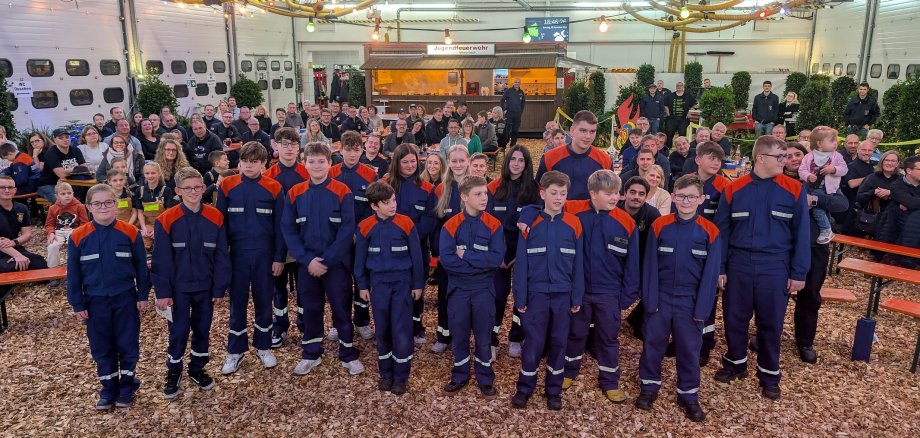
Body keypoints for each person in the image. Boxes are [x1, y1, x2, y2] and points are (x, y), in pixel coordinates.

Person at [713, 135, 810, 400]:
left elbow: (802, 233)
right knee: (734, 319)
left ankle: (769, 375)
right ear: (761, 158)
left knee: (770, 324)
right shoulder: (734, 189)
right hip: (739, 265)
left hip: (775, 266)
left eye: (787, 156)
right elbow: (722, 232)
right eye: (780, 157)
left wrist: (799, 273)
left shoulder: (794, 189)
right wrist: (720, 268)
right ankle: (735, 363)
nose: (786, 161)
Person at [635, 174, 721, 422]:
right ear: (673, 197)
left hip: (691, 301)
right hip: (661, 298)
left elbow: (710, 274)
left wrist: (702, 309)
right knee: (653, 346)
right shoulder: (660, 227)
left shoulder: (710, 231)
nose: (686, 201)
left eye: (692, 197)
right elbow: (649, 265)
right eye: (681, 196)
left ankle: (689, 395)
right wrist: (650, 302)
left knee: (689, 350)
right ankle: (649, 388)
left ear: (701, 199)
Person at [282, 142, 364, 376]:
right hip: (306, 265)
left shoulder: (342, 191)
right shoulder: (295, 192)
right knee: (310, 308)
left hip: (336, 264)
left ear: (330, 163)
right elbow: (288, 230)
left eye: (321, 161)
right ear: (304, 163)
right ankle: (311, 353)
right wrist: (308, 260)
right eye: (311, 161)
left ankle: (347, 353)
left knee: (341, 308)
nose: (316, 165)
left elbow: (347, 230)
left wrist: (326, 261)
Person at [66, 183, 150, 409]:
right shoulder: (77, 236)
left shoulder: (130, 231)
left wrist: (143, 294)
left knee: (127, 342)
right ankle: (108, 387)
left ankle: (127, 386)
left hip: (125, 298)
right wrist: (77, 303)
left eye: (108, 202)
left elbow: (141, 267)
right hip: (95, 301)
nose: (103, 207)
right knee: (101, 346)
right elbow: (73, 274)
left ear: (116, 204)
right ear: (89, 207)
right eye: (97, 203)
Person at [559, 170, 639, 404]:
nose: (615, 198)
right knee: (575, 333)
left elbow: (633, 265)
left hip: (609, 293)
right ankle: (569, 371)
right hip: (580, 291)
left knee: (608, 337)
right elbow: (544, 204)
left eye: (617, 193)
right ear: (593, 193)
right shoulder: (573, 211)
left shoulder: (626, 222)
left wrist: (626, 297)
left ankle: (610, 381)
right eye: (609, 193)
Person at [152, 167, 231, 399]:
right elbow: (161, 259)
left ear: (204, 188)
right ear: (178, 191)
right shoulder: (166, 219)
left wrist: (219, 287)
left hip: (205, 288)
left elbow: (221, 256)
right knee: (178, 331)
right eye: (188, 188)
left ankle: (197, 368)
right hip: (178, 289)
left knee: (202, 329)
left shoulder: (215, 217)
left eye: (198, 187)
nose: (194, 191)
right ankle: (174, 371)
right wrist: (163, 292)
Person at [511, 171, 584, 411]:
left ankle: (553, 390)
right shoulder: (530, 225)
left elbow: (579, 265)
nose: (558, 198)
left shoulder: (574, 224)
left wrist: (577, 295)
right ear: (542, 193)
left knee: (559, 343)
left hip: (563, 295)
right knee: (533, 343)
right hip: (536, 296)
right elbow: (521, 264)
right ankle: (524, 389)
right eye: (553, 193)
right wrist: (520, 297)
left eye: (563, 194)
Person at [217, 142, 285, 375]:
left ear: (264, 164)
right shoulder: (226, 185)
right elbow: (220, 225)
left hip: (264, 255)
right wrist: (222, 258)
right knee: (237, 302)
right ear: (239, 162)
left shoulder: (274, 187)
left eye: (254, 161)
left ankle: (263, 346)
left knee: (264, 301)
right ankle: (235, 350)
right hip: (236, 255)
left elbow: (280, 227)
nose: (249, 165)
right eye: (245, 161)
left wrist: (279, 258)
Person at [438, 175, 505, 398]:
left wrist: (466, 255)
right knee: (459, 335)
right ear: (464, 197)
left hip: (484, 290)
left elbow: (495, 259)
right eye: (478, 194)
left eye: (485, 193)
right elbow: (447, 260)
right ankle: (460, 375)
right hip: (458, 290)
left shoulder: (494, 225)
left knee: (484, 336)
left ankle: (485, 378)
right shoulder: (450, 225)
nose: (484, 197)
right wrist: (479, 264)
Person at [354, 181, 424, 395]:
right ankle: (386, 373)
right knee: (382, 329)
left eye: (393, 200)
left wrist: (417, 284)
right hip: (378, 284)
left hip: (402, 283)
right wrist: (363, 285)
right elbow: (360, 259)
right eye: (386, 203)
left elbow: (417, 257)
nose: (393, 205)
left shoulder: (406, 223)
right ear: (374, 206)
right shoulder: (365, 226)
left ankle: (401, 376)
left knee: (401, 329)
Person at [382, 144, 438, 345]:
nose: (409, 165)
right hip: (389, 248)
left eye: (413, 161)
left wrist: (412, 239)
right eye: (405, 162)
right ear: (397, 163)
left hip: (417, 248)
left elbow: (429, 219)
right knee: (391, 290)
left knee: (417, 288)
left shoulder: (427, 188)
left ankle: (416, 327)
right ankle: (391, 326)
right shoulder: (385, 184)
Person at [486, 146, 538, 359]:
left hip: (523, 254)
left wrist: (520, 256)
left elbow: (537, 223)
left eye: (521, 160)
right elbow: (487, 223)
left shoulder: (534, 190)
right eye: (513, 159)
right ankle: (492, 339)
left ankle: (516, 338)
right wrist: (497, 254)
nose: (516, 164)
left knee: (521, 298)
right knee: (497, 296)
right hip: (498, 253)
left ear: (526, 164)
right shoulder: (493, 187)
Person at [329, 132, 379, 340]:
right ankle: (337, 321)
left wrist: (361, 232)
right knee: (338, 283)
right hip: (336, 239)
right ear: (341, 150)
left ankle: (362, 320)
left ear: (363, 149)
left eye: (356, 149)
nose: (352, 154)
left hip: (360, 239)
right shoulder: (330, 173)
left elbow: (373, 208)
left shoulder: (370, 175)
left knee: (361, 280)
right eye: (348, 149)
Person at [263, 127, 310, 349]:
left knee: (304, 288)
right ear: (275, 146)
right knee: (278, 288)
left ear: (298, 148)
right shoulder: (268, 176)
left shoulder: (307, 173)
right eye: (284, 144)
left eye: (293, 145)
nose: (289, 149)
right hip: (276, 241)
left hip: (302, 241)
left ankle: (304, 326)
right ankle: (279, 326)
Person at [430, 145, 473, 353]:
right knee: (445, 294)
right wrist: (441, 251)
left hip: (470, 255)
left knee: (467, 297)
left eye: (461, 160)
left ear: (468, 161)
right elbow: (435, 224)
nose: (457, 164)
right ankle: (443, 335)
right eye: (453, 161)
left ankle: (463, 336)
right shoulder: (441, 188)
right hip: (448, 256)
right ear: (449, 163)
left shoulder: (476, 185)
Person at [536, 111, 612, 200]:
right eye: (583, 131)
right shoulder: (550, 157)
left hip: (592, 213)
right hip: (559, 212)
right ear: (572, 131)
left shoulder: (604, 160)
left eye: (592, 131)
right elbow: (539, 190)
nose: (588, 136)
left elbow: (609, 194)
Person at [798, 126, 847, 244]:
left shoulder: (836, 156)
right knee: (819, 207)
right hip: (813, 186)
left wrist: (833, 169)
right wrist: (808, 176)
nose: (836, 143)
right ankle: (826, 227)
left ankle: (826, 230)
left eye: (836, 140)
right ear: (819, 143)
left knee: (817, 208)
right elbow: (802, 170)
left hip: (829, 188)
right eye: (832, 140)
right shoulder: (809, 156)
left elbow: (844, 169)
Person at [875, 155, 920, 266]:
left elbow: (912, 203)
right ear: (909, 170)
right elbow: (911, 203)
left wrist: (912, 204)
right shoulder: (897, 186)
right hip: (897, 224)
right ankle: (905, 258)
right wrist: (911, 204)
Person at [45, 181, 89, 269]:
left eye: (69, 193)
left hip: (74, 230)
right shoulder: (53, 208)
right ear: (57, 196)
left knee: (72, 245)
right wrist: (51, 233)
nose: (67, 195)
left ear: (73, 193)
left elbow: (85, 223)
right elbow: (49, 224)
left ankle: (74, 268)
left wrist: (78, 233)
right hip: (59, 231)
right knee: (52, 246)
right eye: (63, 194)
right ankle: (53, 270)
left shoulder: (79, 206)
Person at [37, 128, 86, 203]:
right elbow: (61, 174)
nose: (65, 140)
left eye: (67, 137)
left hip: (69, 182)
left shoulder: (76, 150)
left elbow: (84, 168)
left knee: (86, 193)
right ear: (55, 140)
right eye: (61, 138)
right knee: (62, 201)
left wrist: (69, 170)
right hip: (49, 184)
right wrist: (77, 168)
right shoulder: (51, 154)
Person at [136, 162, 177, 250]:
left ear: (159, 174)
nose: (150, 176)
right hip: (147, 225)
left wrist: (158, 230)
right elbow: (140, 212)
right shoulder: (140, 190)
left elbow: (168, 212)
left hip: (163, 224)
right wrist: (143, 228)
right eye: (147, 173)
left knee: (162, 243)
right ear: (144, 175)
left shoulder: (166, 190)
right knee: (144, 242)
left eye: (153, 173)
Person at [838, 140, 877, 233]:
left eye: (869, 150)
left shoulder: (874, 166)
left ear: (873, 151)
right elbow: (852, 183)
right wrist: (871, 178)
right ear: (858, 150)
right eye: (864, 150)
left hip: (869, 206)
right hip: (853, 207)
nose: (866, 153)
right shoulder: (852, 166)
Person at [663, 82, 697, 149]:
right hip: (672, 118)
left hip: (683, 119)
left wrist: (689, 112)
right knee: (669, 133)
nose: (679, 87)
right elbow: (665, 105)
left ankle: (682, 148)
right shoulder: (670, 95)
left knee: (682, 134)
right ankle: (668, 149)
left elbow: (694, 105)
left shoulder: (688, 96)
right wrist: (668, 113)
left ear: (683, 86)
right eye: (677, 85)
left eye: (680, 85)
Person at [501, 78, 526, 147]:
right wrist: (504, 110)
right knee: (507, 129)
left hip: (517, 114)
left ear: (520, 83)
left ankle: (513, 145)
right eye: (515, 82)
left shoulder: (521, 92)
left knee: (515, 130)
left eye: (518, 82)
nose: (517, 83)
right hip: (509, 113)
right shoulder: (508, 91)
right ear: (513, 83)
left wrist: (521, 111)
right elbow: (502, 100)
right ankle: (504, 144)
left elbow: (523, 103)